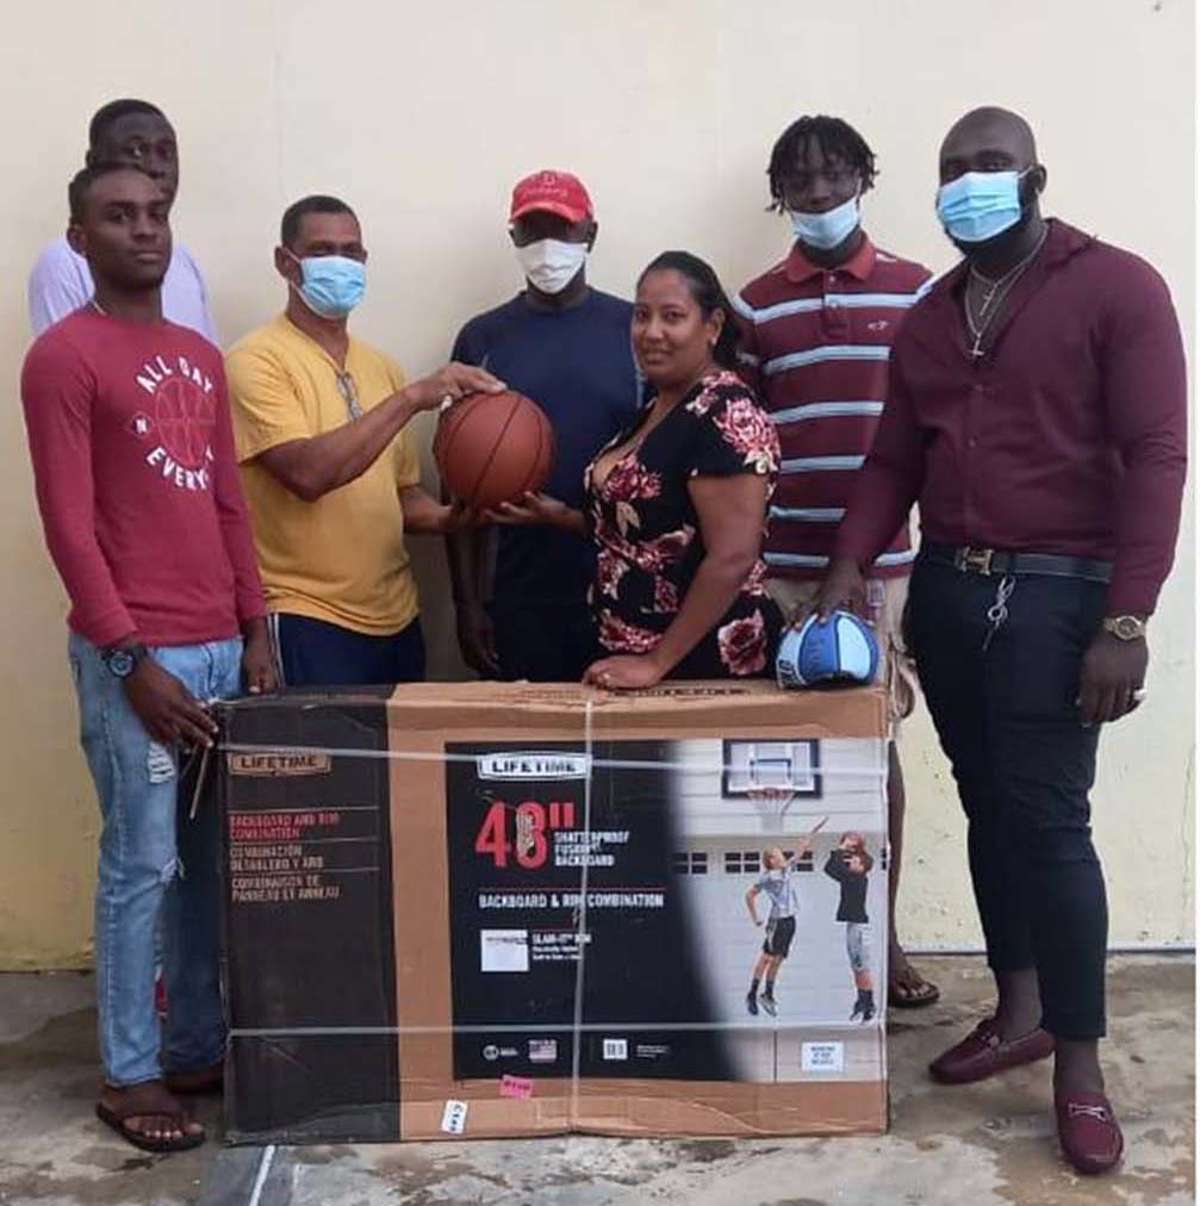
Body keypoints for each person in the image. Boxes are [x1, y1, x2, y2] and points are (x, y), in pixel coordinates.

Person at [818, 106, 1187, 1176]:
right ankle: (1017, 1010)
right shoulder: (931, 317)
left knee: (1051, 825)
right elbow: (893, 460)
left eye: (990, 164)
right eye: (952, 168)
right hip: (949, 591)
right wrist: (846, 568)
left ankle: (1079, 1065)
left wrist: (1128, 619)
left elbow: (1158, 455)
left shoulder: (1118, 289)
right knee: (986, 805)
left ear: (1035, 177)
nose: (968, 182)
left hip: (1061, 601)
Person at [20, 164, 274, 1152]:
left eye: (157, 213)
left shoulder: (197, 357)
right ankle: (129, 1076)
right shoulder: (63, 358)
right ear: (79, 239)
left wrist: (255, 629)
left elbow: (226, 504)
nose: (144, 230)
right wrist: (130, 661)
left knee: (207, 866)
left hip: (218, 650)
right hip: (140, 656)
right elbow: (69, 525)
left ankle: (195, 1049)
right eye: (119, 217)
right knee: (141, 864)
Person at [734, 114, 938, 1014]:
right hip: (781, 567)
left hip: (883, 568)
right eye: (800, 179)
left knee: (873, 752)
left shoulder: (917, 290)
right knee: (777, 759)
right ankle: (785, 943)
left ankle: (881, 936)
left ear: (865, 177)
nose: (819, 192)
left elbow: (933, 427)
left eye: (835, 173)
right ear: (779, 192)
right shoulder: (754, 305)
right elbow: (744, 437)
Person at [226, 195, 502, 687]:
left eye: (351, 252)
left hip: (397, 616)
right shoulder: (255, 360)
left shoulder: (382, 367)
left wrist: (452, 518)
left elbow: (401, 496)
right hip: (307, 615)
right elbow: (308, 474)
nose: (340, 263)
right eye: (322, 251)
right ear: (285, 262)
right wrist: (413, 397)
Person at [493, 252, 782, 689]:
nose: (652, 332)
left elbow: (733, 557)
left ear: (713, 326)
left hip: (698, 668)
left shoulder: (725, 412)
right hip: (628, 655)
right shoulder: (659, 407)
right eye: (642, 315)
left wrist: (655, 663)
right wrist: (559, 516)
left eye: (672, 317)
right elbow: (651, 533)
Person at [447, 170, 641, 681]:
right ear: (514, 237)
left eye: (561, 229)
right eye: (532, 230)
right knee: (526, 732)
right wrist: (467, 604)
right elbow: (457, 485)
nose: (546, 245)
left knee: (623, 730)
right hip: (517, 592)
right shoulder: (482, 338)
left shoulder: (636, 330)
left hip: (626, 587)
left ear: (590, 234)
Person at [28, 99, 216, 341]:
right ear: (94, 162)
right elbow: (68, 357)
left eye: (166, 153)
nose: (155, 168)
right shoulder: (64, 261)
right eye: (136, 151)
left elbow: (204, 359)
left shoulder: (183, 260)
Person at [824, 833, 875, 1023]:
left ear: (862, 867)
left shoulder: (857, 878)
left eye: (854, 861)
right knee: (857, 967)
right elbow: (830, 869)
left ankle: (868, 1003)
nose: (850, 862)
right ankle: (862, 1001)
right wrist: (843, 849)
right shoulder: (851, 877)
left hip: (859, 928)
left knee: (862, 967)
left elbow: (834, 868)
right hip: (853, 926)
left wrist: (842, 848)